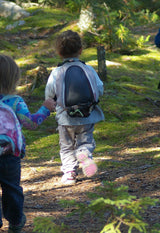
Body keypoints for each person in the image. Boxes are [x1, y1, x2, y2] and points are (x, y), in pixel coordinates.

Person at [0, 55, 56, 233]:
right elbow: (31, 123)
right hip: (10, 157)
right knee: (12, 189)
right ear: (14, 79)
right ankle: (15, 222)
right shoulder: (16, 102)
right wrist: (46, 108)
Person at [45, 30, 105, 185]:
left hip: (65, 117)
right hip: (88, 114)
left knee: (66, 146)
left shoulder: (57, 71)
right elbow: (99, 89)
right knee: (86, 141)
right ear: (80, 50)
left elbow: (49, 94)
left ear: (59, 52)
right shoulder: (88, 69)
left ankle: (70, 173)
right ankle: (84, 154)